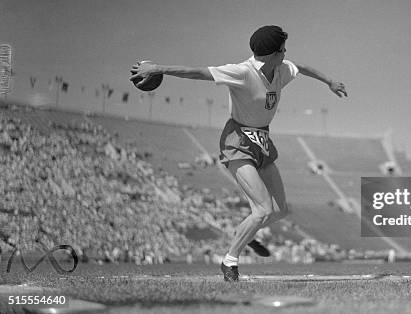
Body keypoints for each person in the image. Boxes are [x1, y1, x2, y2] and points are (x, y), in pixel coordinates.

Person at [130, 25, 348, 281]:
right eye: (282, 50)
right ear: (270, 54)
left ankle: (245, 232)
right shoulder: (242, 72)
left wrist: (330, 82)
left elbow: (302, 68)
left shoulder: (281, 69)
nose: (286, 53)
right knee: (263, 209)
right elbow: (199, 73)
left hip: (263, 139)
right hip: (238, 140)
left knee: (279, 210)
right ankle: (229, 262)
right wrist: (159, 69)